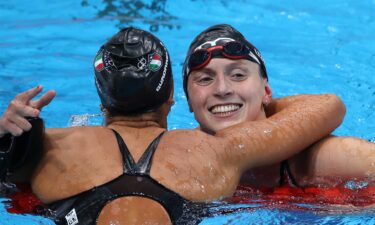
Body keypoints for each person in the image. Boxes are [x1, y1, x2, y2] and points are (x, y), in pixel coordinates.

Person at [0, 27, 344, 225]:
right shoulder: (220, 150)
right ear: (172, 100)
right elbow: (328, 106)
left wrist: (6, 133)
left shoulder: (47, 145)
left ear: (102, 105)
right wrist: (262, 100)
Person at [182, 24, 375, 188]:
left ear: (266, 92)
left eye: (238, 75)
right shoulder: (183, 164)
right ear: (189, 100)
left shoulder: (322, 159)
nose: (222, 89)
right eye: (205, 79)